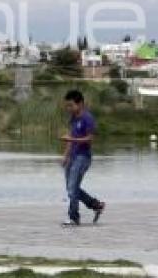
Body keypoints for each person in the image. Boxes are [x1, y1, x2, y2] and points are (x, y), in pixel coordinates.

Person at [60, 89, 105, 226]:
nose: (69, 108)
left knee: (72, 187)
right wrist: (66, 155)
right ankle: (95, 205)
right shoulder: (73, 118)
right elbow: (70, 137)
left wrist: (72, 139)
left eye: (71, 105)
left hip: (83, 157)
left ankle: (73, 217)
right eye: (67, 105)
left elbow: (90, 139)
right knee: (71, 188)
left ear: (80, 104)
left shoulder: (88, 118)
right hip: (73, 156)